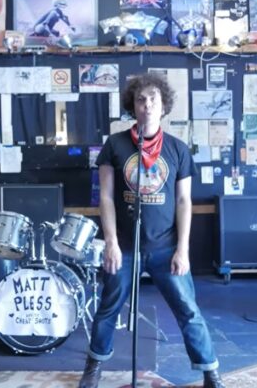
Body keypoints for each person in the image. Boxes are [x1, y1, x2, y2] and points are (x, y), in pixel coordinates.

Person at [78, 73, 225, 388]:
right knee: (107, 308)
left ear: (163, 105)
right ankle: (93, 369)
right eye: (141, 99)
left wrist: (183, 250)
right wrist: (111, 243)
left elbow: (184, 201)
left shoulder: (177, 149)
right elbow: (104, 197)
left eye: (153, 99)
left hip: (166, 247)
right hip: (125, 248)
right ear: (132, 105)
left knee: (188, 310)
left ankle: (210, 372)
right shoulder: (115, 145)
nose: (147, 105)